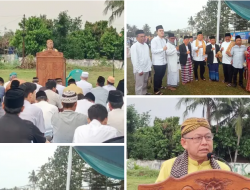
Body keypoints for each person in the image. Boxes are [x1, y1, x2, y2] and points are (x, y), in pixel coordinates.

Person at [156, 117, 230, 182]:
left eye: (208, 137)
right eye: (198, 138)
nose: (204, 142)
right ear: (184, 143)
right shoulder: (169, 166)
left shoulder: (223, 169)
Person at [131, 30, 152, 95]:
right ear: (137, 37)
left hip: (146, 68)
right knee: (139, 85)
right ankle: (139, 96)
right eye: (141, 37)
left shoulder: (146, 45)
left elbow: (148, 57)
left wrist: (149, 67)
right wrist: (139, 70)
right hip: (139, 70)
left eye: (144, 36)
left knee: (145, 83)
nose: (143, 38)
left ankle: (144, 93)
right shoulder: (134, 46)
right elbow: (134, 60)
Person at [151, 25, 167, 95]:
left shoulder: (164, 40)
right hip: (157, 62)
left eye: (163, 31)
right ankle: (156, 89)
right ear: (157, 32)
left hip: (164, 61)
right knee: (157, 76)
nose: (162, 32)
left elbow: (166, 49)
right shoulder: (154, 40)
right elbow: (153, 51)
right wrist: (162, 49)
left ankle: (160, 85)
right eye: (160, 31)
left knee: (162, 75)